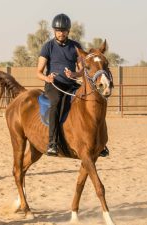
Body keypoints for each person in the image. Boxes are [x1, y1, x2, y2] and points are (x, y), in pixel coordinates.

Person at [37, 13, 109, 157]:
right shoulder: (48, 47)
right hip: (54, 85)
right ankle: (52, 142)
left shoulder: (75, 46)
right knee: (56, 103)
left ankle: (100, 143)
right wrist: (47, 78)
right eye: (58, 30)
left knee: (91, 102)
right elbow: (38, 72)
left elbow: (83, 70)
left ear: (68, 31)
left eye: (63, 30)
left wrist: (74, 75)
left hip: (71, 84)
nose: (61, 33)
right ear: (54, 31)